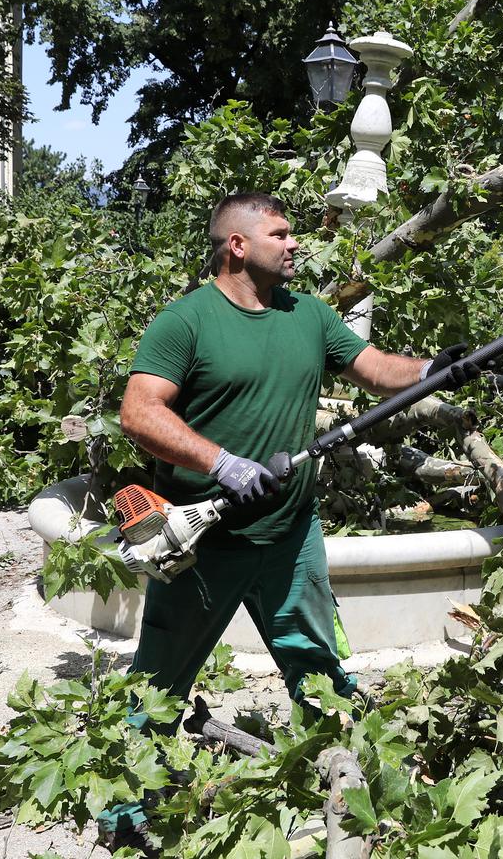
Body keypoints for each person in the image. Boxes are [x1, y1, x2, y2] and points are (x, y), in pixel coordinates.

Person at [118, 191, 480, 722]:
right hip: (203, 542)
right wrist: (225, 465)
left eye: (291, 233)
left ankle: (335, 776)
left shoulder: (307, 313)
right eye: (280, 235)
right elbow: (139, 413)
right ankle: (129, 804)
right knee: (157, 688)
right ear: (237, 246)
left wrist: (431, 370)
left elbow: (374, 368)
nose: (295, 243)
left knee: (321, 677)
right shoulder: (187, 321)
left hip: (291, 534)